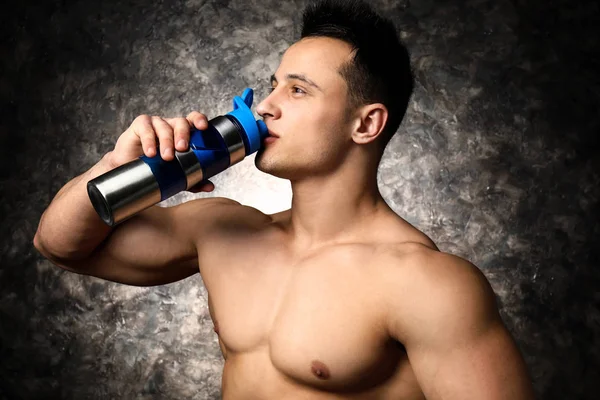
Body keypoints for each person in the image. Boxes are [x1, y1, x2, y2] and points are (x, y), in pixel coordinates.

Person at [33, 0, 536, 398]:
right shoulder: (224, 231)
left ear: (366, 124)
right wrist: (116, 167)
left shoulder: (426, 284)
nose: (265, 106)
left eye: (298, 91)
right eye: (273, 86)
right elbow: (60, 244)